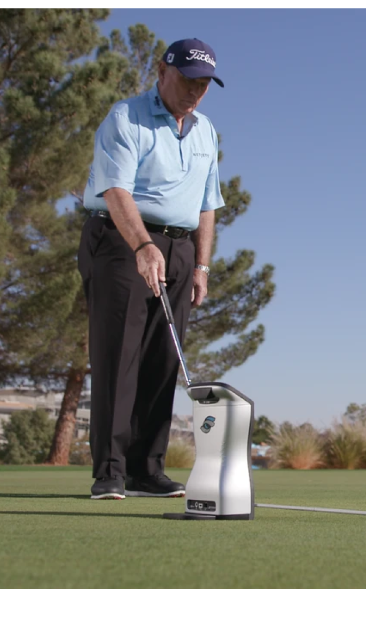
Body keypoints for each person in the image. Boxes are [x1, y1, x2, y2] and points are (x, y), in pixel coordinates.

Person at [78, 38, 226, 500]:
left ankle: (147, 469)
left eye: (204, 84)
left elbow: (207, 206)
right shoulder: (126, 117)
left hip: (181, 250)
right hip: (123, 240)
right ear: (162, 71)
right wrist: (142, 244)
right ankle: (110, 471)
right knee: (118, 356)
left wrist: (201, 265)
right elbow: (115, 190)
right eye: (187, 80)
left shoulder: (206, 131)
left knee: (163, 361)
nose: (195, 91)